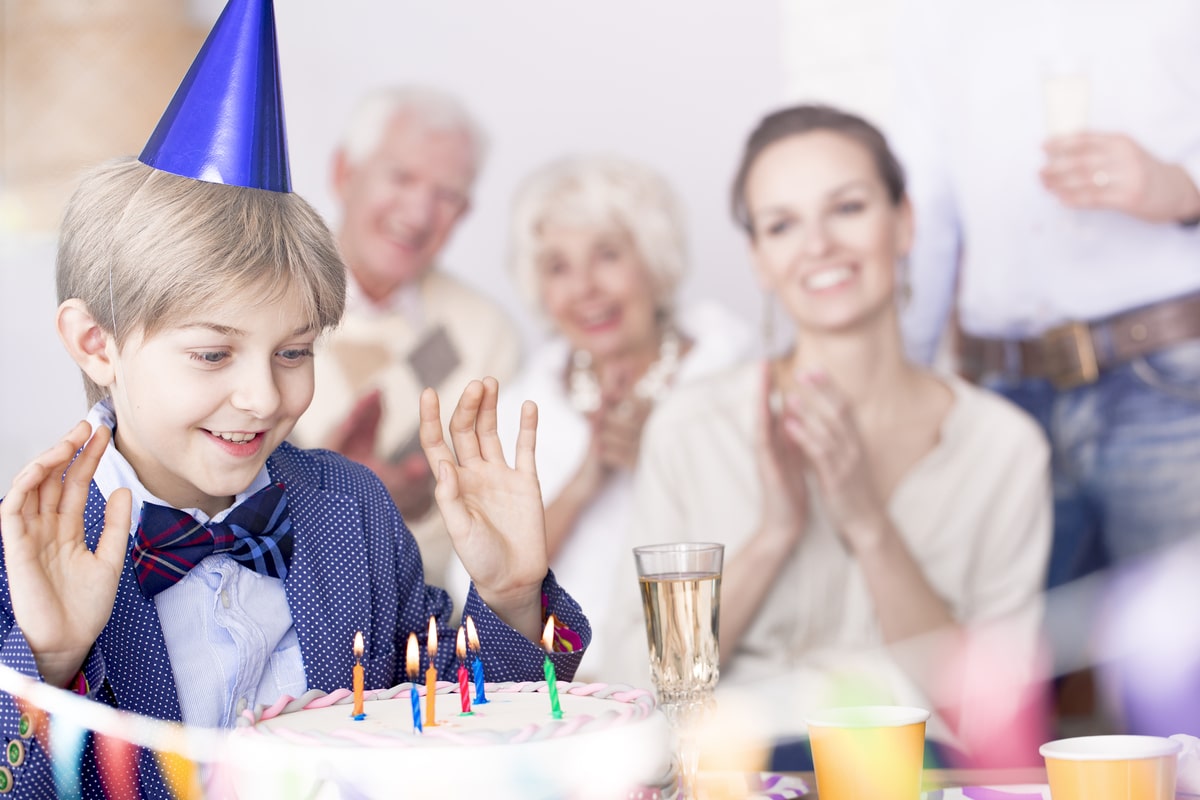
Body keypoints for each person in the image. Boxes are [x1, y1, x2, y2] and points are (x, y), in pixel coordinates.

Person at [0, 4, 585, 796]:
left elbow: (463, 735)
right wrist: (53, 661)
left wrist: (513, 597)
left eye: (294, 352)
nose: (263, 396)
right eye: (212, 352)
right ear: (98, 343)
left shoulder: (351, 510)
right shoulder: (32, 551)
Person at [603, 104, 1053, 768]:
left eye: (847, 208)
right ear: (759, 258)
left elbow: (991, 720)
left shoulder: (1004, 448)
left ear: (904, 224)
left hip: (919, 773)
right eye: (782, 224)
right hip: (737, 770)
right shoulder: (693, 429)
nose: (818, 246)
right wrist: (774, 536)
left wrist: (868, 524)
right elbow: (634, 693)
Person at [890, 0, 1200, 734]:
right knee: (1003, 716)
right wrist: (896, 390)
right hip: (1001, 398)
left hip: (1166, 384)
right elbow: (923, 211)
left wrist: (1185, 187)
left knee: (1182, 693)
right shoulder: (930, 17)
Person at [444, 155, 750, 675]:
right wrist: (586, 481)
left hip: (712, 686)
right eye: (557, 266)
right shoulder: (521, 406)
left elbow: (767, 549)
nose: (584, 288)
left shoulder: (731, 379)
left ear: (655, 261)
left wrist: (655, 461)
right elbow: (473, 590)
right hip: (566, 699)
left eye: (607, 255)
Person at [289, 86, 522, 588]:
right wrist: (332, 492)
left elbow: (491, 522)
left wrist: (417, 506)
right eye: (401, 177)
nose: (419, 214)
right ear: (343, 174)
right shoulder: (264, 292)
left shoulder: (485, 333)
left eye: (447, 196)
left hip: (420, 609)